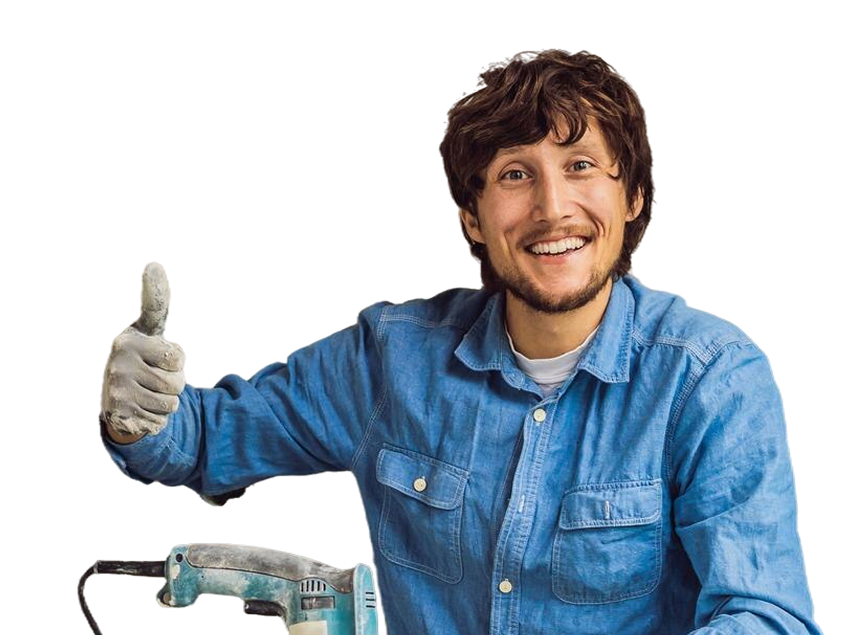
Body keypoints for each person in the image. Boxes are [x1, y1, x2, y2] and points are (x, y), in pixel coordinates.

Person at [99, 49, 822, 634]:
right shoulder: (390, 359)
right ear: (472, 217)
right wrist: (139, 415)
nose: (551, 208)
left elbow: (766, 616)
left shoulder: (711, 378)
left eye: (579, 166)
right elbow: (206, 441)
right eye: (515, 174)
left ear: (632, 196)